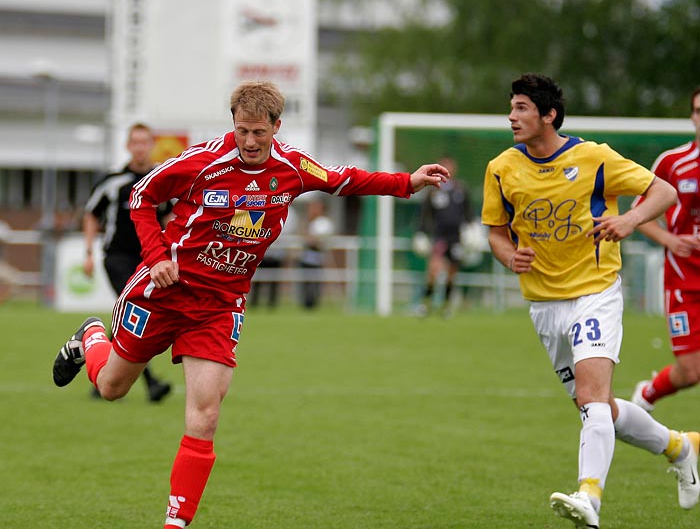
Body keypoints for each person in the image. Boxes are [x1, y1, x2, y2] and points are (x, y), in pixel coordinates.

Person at [52, 80, 451, 529]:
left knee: (205, 412)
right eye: (242, 131)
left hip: (220, 305)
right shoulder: (203, 161)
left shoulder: (292, 168)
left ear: (276, 127)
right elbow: (141, 197)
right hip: (164, 294)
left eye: (260, 132)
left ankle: (175, 524)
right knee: (112, 388)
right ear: (233, 125)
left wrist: (407, 182)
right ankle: (90, 336)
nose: (250, 141)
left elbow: (343, 179)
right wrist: (157, 257)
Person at [481, 73, 699, 529]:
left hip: (595, 291)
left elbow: (663, 191)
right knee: (596, 406)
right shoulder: (501, 168)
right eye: (512, 106)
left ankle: (589, 497)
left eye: (521, 107)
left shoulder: (594, 158)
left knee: (594, 400)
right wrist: (510, 257)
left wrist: (631, 219)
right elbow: (496, 234)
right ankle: (681, 447)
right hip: (543, 305)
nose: (511, 115)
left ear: (549, 115)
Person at [82, 122, 172, 402]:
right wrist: (88, 252)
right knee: (135, 311)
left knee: (129, 316)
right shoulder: (113, 181)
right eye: (135, 142)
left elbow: (169, 218)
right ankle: (151, 383)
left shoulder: (161, 180)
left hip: (150, 261)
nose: (140, 147)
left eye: (145, 142)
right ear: (128, 146)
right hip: (118, 258)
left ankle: (103, 377)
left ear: (151, 144)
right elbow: (91, 215)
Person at [631, 85, 700, 412]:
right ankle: (647, 395)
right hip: (683, 282)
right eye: (699, 111)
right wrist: (671, 240)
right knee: (690, 372)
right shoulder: (673, 162)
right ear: (691, 117)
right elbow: (638, 216)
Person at [413, 156, 473, 316]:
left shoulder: (461, 190)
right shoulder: (432, 191)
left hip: (456, 238)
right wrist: (421, 233)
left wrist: (471, 230)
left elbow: (468, 213)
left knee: (452, 274)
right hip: (439, 237)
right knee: (433, 271)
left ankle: (446, 306)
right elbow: (424, 215)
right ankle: (425, 304)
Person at [298, 198, 334, 309]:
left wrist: (312, 239)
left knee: (316, 282)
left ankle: (313, 304)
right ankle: (305, 303)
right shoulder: (308, 221)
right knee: (305, 282)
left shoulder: (324, 222)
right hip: (306, 257)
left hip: (318, 257)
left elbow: (319, 240)